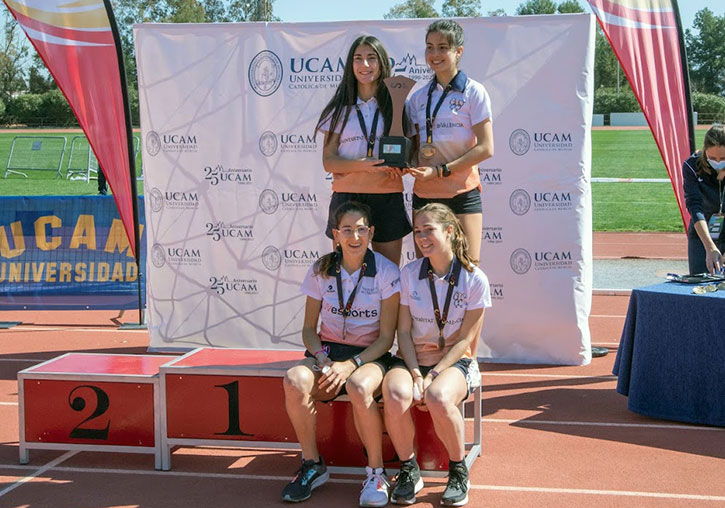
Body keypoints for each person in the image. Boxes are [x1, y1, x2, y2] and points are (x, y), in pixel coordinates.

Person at [282, 201, 400, 506]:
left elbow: (387, 338)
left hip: (370, 355)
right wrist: (322, 360)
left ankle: (376, 473)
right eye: (347, 230)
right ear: (336, 234)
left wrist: (351, 365)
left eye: (361, 229)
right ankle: (312, 464)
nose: (355, 236)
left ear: (371, 232)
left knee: (359, 385)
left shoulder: (386, 272)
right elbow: (309, 329)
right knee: (295, 378)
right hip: (328, 353)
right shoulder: (321, 268)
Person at [383, 203, 491, 506]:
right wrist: (417, 372)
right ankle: (409, 469)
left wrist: (433, 374)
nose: (421, 237)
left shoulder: (474, 278)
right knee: (393, 393)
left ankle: (458, 471)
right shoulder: (409, 274)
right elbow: (402, 332)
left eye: (428, 229)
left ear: (449, 231)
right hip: (413, 359)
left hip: (456, 361)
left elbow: (466, 340)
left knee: (439, 397)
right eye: (417, 231)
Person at [315, 35, 411, 265]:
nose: (364, 65)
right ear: (351, 64)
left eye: (371, 58)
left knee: (388, 275)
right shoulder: (339, 108)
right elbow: (329, 161)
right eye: (358, 58)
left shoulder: (397, 104)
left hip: (387, 196)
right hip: (347, 197)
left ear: (382, 63)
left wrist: (403, 169)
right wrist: (362, 165)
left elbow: (410, 154)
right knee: (346, 273)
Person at [405, 19, 494, 265]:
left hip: (462, 193)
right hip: (425, 196)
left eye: (443, 47)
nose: (435, 54)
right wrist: (405, 163)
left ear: (458, 51)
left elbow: (486, 147)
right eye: (429, 47)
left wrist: (441, 170)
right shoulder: (418, 98)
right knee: (427, 270)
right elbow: (413, 148)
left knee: (469, 268)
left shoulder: (473, 92)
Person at [682, 124, 725, 274]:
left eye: (723, 158)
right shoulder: (691, 166)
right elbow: (694, 205)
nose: (718, 162)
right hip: (702, 233)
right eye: (712, 158)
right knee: (701, 284)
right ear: (705, 151)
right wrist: (710, 247)